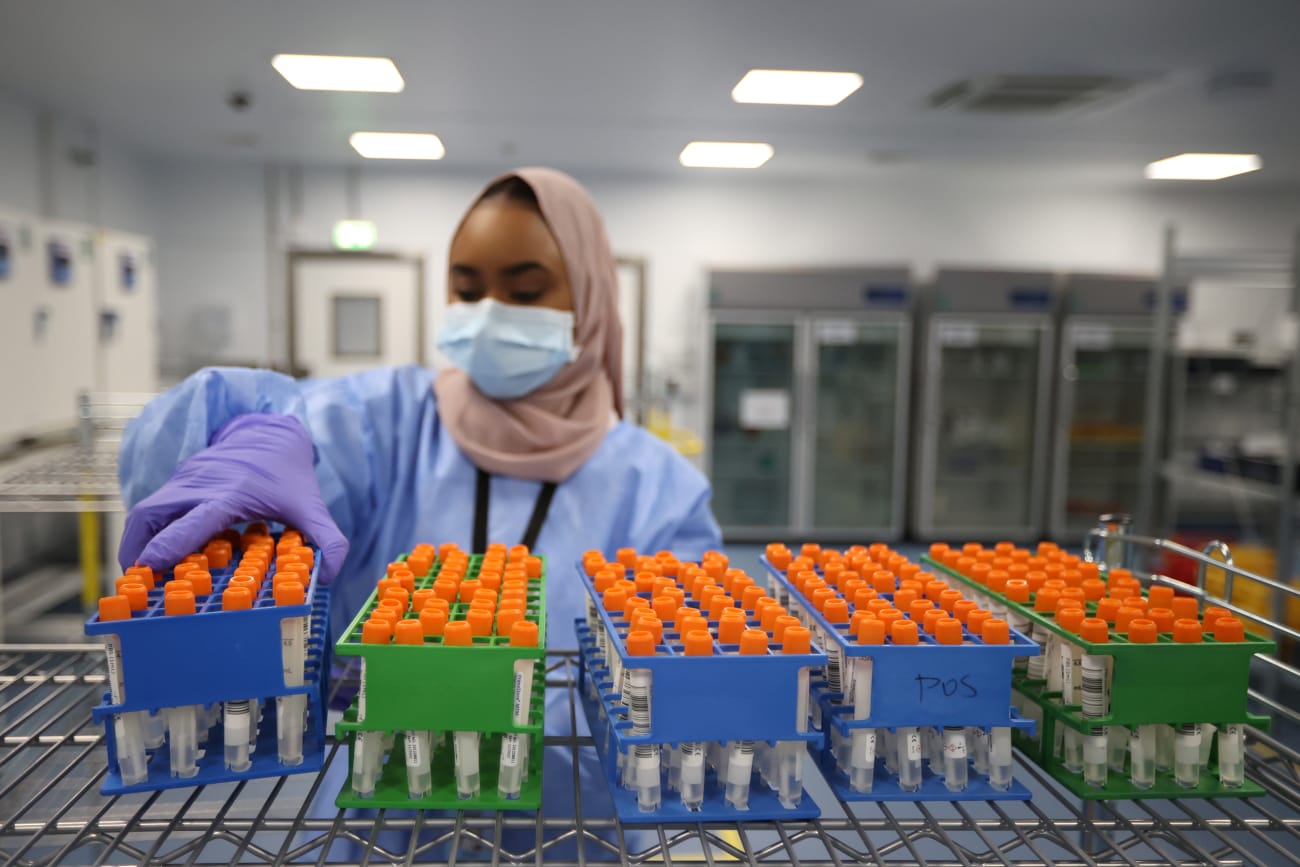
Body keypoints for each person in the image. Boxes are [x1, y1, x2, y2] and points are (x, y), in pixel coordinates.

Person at [117, 167, 722, 644]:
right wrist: (237, 438)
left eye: (526, 290)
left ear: (590, 297)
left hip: (580, 794)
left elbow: (680, 674)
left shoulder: (659, 489)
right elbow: (192, 460)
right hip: (387, 789)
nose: (487, 311)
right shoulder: (382, 421)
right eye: (466, 288)